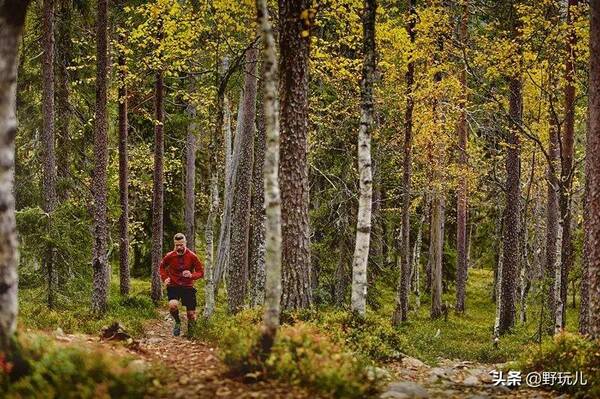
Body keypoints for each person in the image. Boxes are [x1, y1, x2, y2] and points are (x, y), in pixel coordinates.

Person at [159, 233, 204, 337]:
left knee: (191, 315)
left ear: (185, 243)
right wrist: (165, 278)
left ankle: (191, 333)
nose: (179, 247)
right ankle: (178, 322)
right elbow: (161, 267)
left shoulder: (192, 256)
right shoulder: (169, 256)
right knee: (172, 306)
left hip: (188, 287)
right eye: (176, 245)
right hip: (173, 286)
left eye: (181, 245)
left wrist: (191, 275)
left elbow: (201, 272)